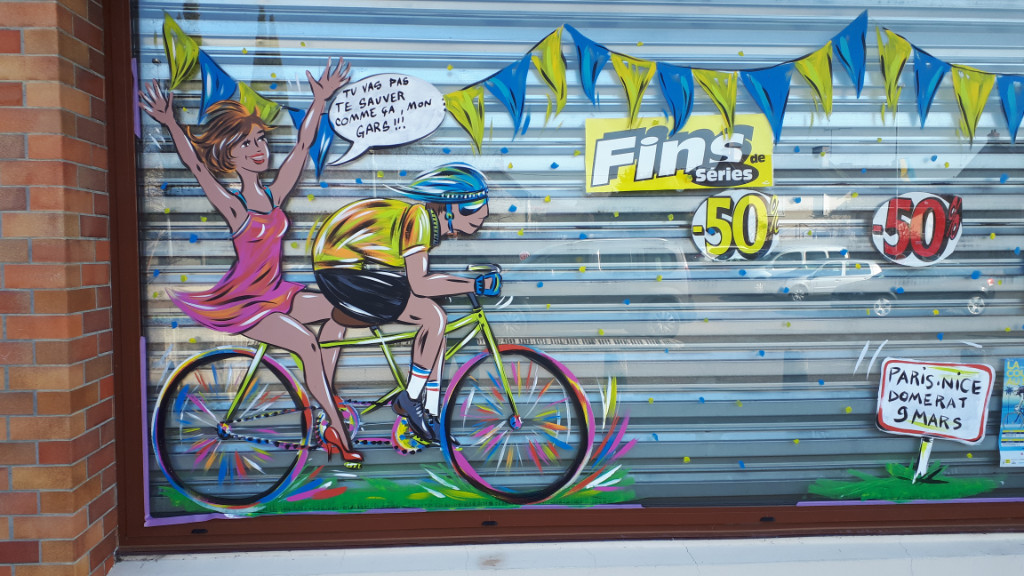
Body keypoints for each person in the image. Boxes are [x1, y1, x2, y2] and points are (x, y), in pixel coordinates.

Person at [139, 58, 365, 467]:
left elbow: (302, 147)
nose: (259, 149)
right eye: (246, 144)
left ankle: (323, 393)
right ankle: (335, 428)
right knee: (307, 344)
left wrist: (319, 100)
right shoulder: (236, 207)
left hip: (278, 293)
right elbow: (195, 166)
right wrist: (171, 123)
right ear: (229, 153)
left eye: (260, 139)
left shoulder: (273, 197)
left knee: (344, 308)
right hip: (247, 303)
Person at [311, 163, 500, 442]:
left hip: (350, 268)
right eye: (474, 214)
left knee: (436, 324)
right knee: (433, 317)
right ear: (450, 209)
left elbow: (419, 281)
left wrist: (451, 287)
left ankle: (431, 412)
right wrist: (473, 285)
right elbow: (420, 283)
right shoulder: (420, 220)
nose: (481, 220)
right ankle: (410, 399)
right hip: (339, 272)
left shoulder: (424, 222)